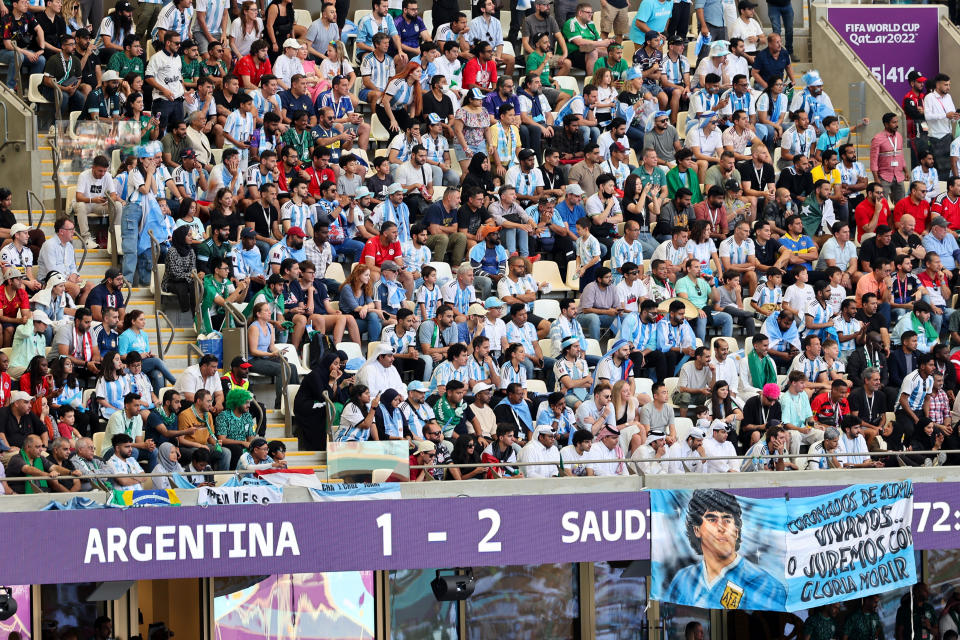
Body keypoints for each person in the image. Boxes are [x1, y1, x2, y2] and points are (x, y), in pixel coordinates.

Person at [662, 488, 787, 606]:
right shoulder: (683, 579)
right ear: (696, 530)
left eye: (727, 520)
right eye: (712, 519)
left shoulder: (766, 585)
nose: (721, 527)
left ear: (737, 531)